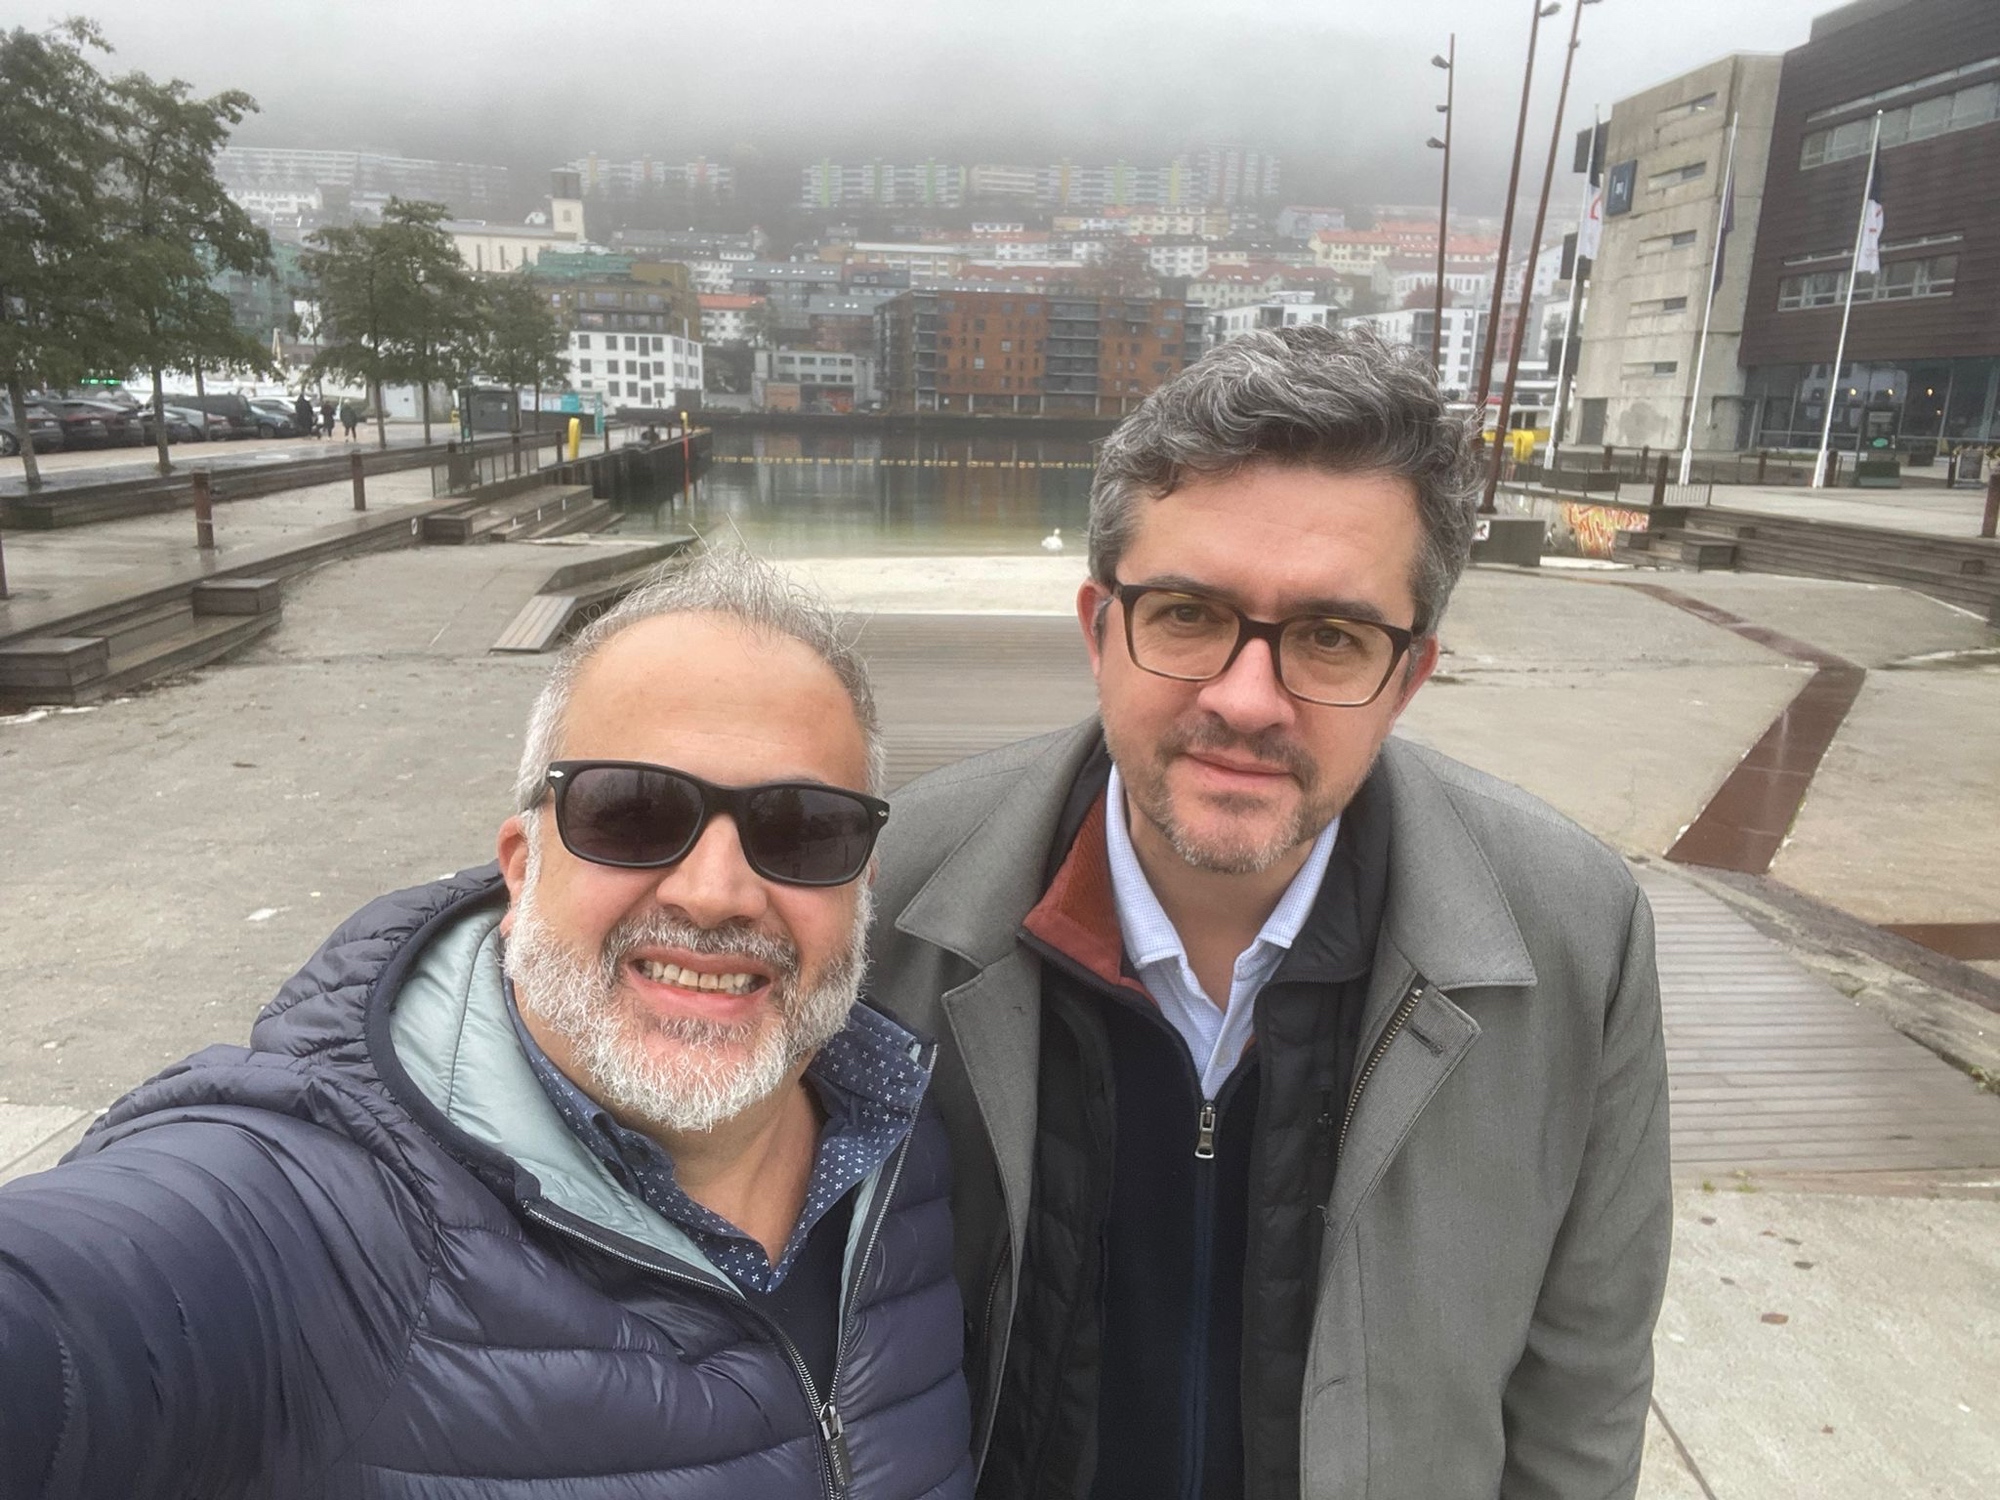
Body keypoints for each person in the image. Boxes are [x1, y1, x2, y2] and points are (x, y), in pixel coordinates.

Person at [870, 325, 1672, 1499]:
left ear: (1406, 677)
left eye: (1329, 637)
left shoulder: (1572, 938)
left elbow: (1581, 1388)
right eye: (1187, 614)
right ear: (1098, 631)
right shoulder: (889, 901)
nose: (1245, 701)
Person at [0, 550, 976, 1499]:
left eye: (802, 830)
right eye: (632, 813)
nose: (716, 892)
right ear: (520, 869)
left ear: (861, 889)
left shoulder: (919, 1140)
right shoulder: (328, 1215)